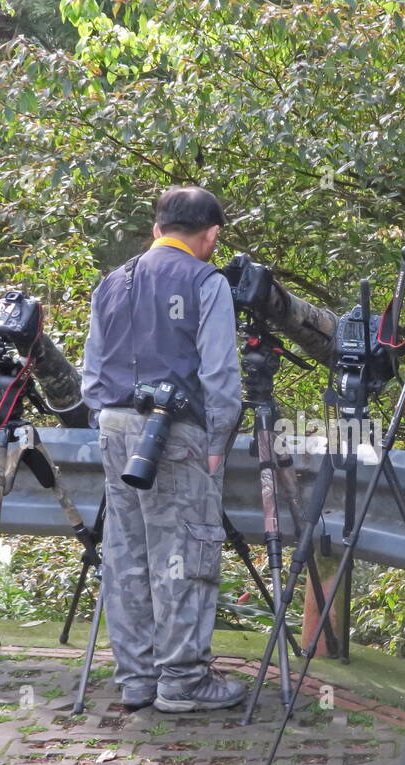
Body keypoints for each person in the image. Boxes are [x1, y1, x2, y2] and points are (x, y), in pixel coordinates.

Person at [81, 186, 245, 712]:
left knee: (127, 553)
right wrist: (217, 442)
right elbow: (221, 374)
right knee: (184, 550)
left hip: (113, 425)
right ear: (211, 235)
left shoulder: (111, 282)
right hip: (175, 432)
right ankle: (183, 680)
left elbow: (90, 374)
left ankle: (137, 679)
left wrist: (111, 423)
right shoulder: (206, 281)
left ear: (157, 229)